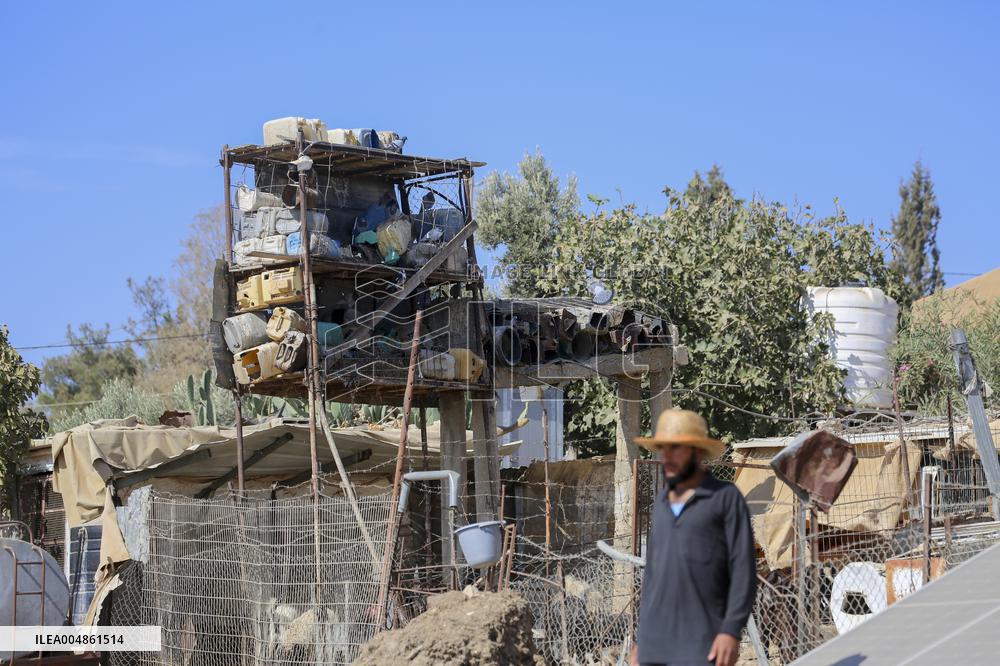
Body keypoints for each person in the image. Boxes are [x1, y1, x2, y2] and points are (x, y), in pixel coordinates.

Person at [630, 409, 756, 666]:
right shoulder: (662, 502)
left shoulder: (725, 498)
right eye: (662, 448)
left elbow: (744, 570)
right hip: (655, 645)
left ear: (697, 452)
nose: (666, 457)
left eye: (675, 448)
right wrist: (641, 640)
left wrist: (731, 631)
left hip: (702, 644)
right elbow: (653, 576)